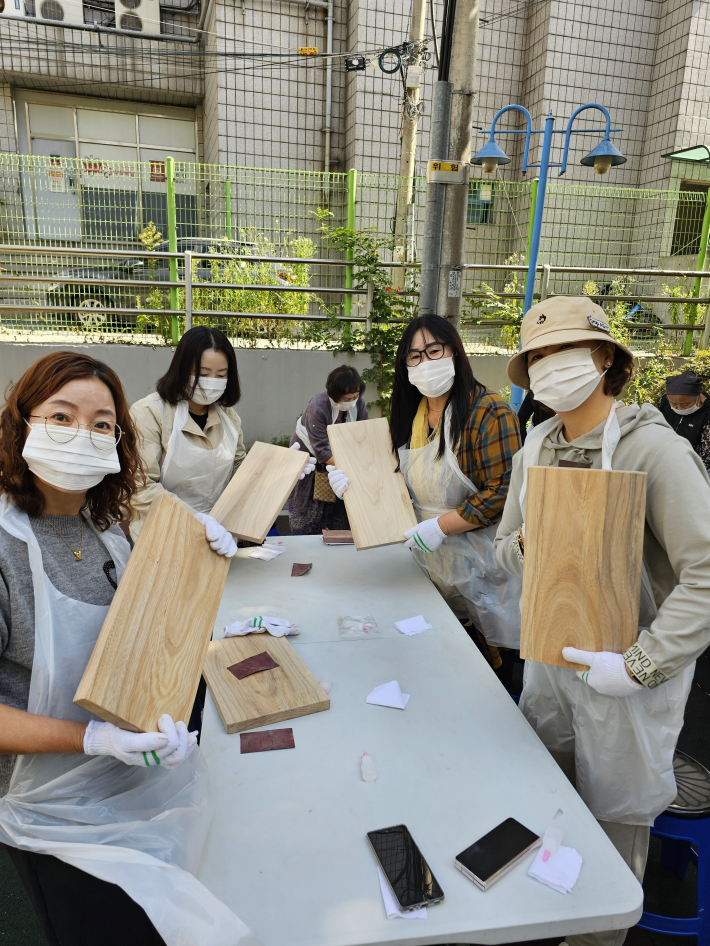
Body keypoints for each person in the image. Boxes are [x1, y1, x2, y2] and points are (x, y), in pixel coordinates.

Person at [0, 351, 250, 946]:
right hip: (50, 806)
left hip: (134, 778)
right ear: (22, 424)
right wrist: (94, 738)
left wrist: (198, 558)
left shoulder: (107, 529)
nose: (81, 435)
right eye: (61, 417)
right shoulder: (6, 548)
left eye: (102, 424)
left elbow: (149, 634)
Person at [494, 296, 710, 946]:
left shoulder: (653, 452)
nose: (549, 368)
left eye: (564, 352)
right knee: (550, 822)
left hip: (626, 685)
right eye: (537, 358)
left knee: (612, 852)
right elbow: (505, 552)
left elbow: (704, 574)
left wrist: (642, 664)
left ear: (605, 358)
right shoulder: (535, 447)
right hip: (549, 671)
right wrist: (533, 542)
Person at [328, 315, 522, 682]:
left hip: (480, 567)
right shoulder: (410, 413)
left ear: (455, 353)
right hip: (427, 565)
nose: (425, 363)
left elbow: (505, 491)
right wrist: (350, 482)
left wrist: (442, 525)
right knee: (432, 669)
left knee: (479, 671)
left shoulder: (489, 411)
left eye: (434, 351)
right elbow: (390, 478)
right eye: (414, 356)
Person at [130, 325, 315, 542]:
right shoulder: (150, 413)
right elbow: (141, 488)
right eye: (203, 373)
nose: (211, 382)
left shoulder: (228, 416)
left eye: (221, 375)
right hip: (162, 535)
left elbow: (240, 472)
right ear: (181, 369)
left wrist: (278, 473)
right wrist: (196, 518)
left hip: (219, 535)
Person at [288, 364, 367, 535]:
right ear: (335, 396)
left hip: (340, 459)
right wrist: (351, 466)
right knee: (309, 512)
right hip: (310, 461)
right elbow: (321, 450)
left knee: (341, 506)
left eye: (356, 396)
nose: (352, 401)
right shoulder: (317, 407)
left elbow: (363, 433)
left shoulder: (358, 403)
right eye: (347, 398)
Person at [658, 369, 710, 472]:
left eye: (684, 404)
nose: (679, 408)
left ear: (698, 397)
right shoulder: (664, 402)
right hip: (667, 460)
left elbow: (706, 457)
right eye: (673, 403)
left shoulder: (707, 414)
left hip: (697, 466)